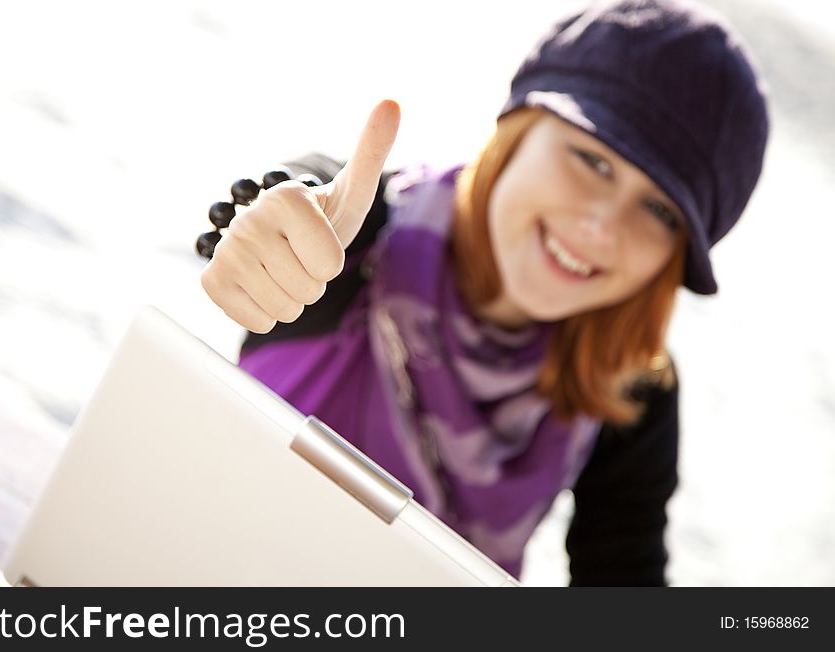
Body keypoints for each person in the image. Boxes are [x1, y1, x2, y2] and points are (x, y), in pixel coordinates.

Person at [200, 0, 769, 585]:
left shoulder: (628, 383)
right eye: (593, 161)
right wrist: (259, 242)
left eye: (658, 210)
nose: (602, 227)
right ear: (518, 128)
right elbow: (285, 212)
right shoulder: (357, 229)